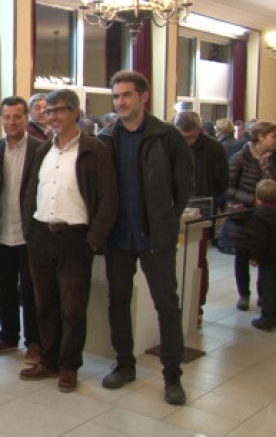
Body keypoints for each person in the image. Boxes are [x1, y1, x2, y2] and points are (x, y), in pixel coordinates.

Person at [100, 70, 193, 406]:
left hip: (155, 236)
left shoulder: (167, 137)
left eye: (126, 95)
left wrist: (165, 221)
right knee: (118, 301)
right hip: (118, 236)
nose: (120, 102)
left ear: (144, 96)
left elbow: (183, 187)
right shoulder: (106, 137)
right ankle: (125, 364)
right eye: (116, 96)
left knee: (166, 305)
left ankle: (173, 376)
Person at [18, 89, 117, 393]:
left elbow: (108, 199)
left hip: (75, 239)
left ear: (76, 112)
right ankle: (49, 361)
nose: (53, 117)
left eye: (59, 110)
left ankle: (69, 366)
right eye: (49, 112)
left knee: (73, 308)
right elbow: (29, 191)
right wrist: (28, 229)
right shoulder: (42, 151)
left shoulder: (95, 150)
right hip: (40, 236)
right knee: (45, 304)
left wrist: (93, 240)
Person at [0, 96, 43, 365]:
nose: (11, 122)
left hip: (29, 234)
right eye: (6, 117)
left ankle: (34, 342)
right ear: (1, 119)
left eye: (17, 117)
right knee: (4, 289)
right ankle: (8, 337)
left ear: (26, 118)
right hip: (1, 233)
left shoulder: (40, 150)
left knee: (31, 292)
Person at [174, 111, 228, 326]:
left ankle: (197, 306)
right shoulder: (170, 144)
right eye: (183, 136)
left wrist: (210, 203)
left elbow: (222, 181)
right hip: (174, 210)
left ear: (199, 130)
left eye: (191, 137)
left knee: (198, 260)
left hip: (202, 211)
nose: (187, 141)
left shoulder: (214, 148)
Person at [224, 121, 276, 311]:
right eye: (273, 136)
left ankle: (265, 295)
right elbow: (227, 188)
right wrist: (252, 200)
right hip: (245, 216)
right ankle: (244, 294)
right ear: (260, 137)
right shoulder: (240, 158)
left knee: (268, 257)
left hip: (269, 217)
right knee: (242, 255)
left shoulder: (273, 159)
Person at [250, 179, 276, 331]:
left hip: (268, 258)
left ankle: (267, 318)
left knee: (267, 287)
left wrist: (255, 257)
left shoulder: (259, 217)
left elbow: (260, 240)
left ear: (258, 198)